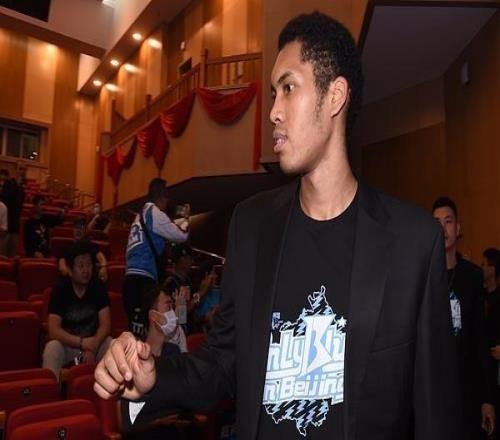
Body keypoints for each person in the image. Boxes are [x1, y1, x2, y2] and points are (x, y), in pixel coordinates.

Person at [95, 12, 463, 439]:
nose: (272, 111)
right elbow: (221, 363)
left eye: (288, 88)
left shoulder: (412, 243)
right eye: (273, 93)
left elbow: (438, 415)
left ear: (334, 97)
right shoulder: (251, 226)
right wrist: (153, 377)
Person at [433, 197, 496, 438]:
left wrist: (487, 398)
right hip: (436, 389)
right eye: (437, 223)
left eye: (448, 222)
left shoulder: (472, 277)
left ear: (458, 228)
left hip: (468, 388)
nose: (442, 228)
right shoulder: (424, 277)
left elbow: (481, 339)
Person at [123, 178, 190, 338]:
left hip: (130, 279)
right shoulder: (154, 213)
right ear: (162, 196)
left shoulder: (140, 216)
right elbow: (181, 235)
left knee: (136, 332)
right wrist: (186, 219)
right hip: (143, 280)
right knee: (147, 333)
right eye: (167, 197)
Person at [43, 240, 111, 379]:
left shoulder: (97, 286)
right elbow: (53, 330)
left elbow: (106, 324)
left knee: (111, 343)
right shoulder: (60, 289)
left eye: (89, 264)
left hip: (93, 341)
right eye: (80, 265)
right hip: (69, 344)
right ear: (69, 270)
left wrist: (94, 345)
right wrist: (82, 343)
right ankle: (50, 388)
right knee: (52, 348)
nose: (86, 270)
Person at [58, 217, 108, 282]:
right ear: (73, 230)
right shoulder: (67, 247)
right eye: (76, 228)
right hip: (72, 279)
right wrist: (64, 268)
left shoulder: (90, 245)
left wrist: (103, 267)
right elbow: (62, 262)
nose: (78, 230)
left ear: (85, 230)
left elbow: (101, 257)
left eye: (81, 228)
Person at [483, 248, 500, 439]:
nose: (482, 267)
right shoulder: (479, 294)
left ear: (493, 269)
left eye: (485, 264)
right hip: (483, 363)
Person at [143, 286, 188, 357]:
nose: (173, 313)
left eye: (173, 308)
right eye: (168, 307)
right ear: (153, 315)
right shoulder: (135, 352)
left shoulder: (174, 352)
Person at [0, 167, 25, 256]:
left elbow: (20, 205)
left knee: (12, 255)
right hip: (5, 225)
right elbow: (6, 200)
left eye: (23, 170)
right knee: (2, 255)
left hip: (15, 226)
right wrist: (16, 186)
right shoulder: (8, 184)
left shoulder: (22, 188)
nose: (21, 172)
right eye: (20, 169)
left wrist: (19, 187)